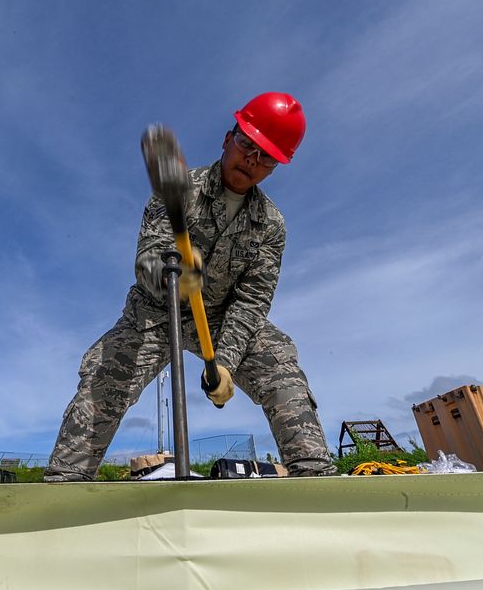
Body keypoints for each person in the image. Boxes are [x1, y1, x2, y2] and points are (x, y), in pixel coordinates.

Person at [45, 92, 337, 481]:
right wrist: (170, 275)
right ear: (227, 139)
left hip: (218, 320)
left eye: (266, 156)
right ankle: (64, 482)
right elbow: (147, 258)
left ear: (275, 167)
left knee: (279, 361)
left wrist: (226, 363)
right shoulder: (179, 189)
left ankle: (317, 479)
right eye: (247, 144)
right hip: (153, 313)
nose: (252, 160)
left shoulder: (271, 225)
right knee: (104, 375)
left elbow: (251, 301)